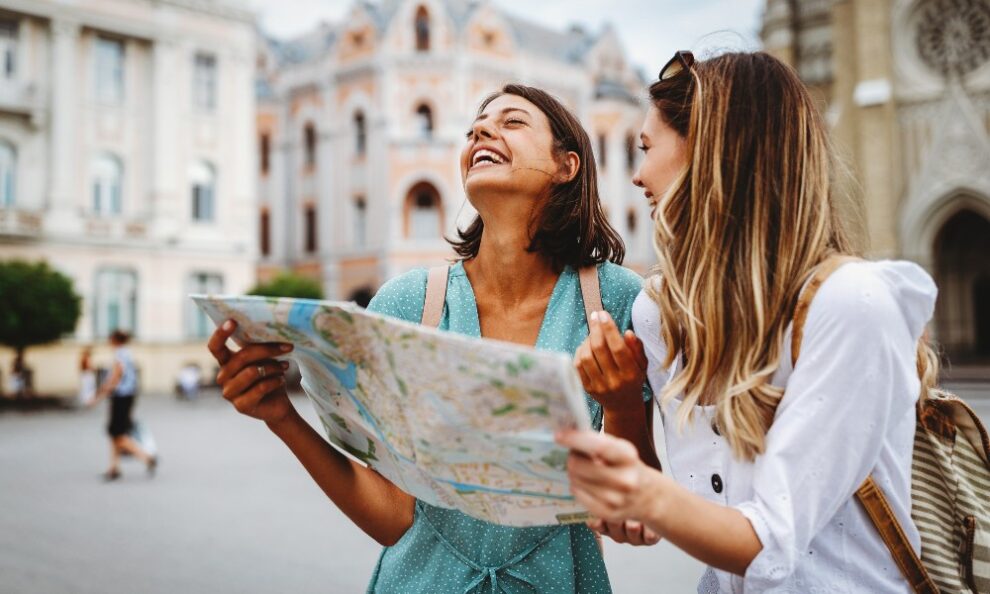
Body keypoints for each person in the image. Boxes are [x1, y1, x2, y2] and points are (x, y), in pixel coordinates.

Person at [207, 84, 657, 593]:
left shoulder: (616, 300)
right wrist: (283, 418)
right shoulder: (406, 303)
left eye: (511, 122)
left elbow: (637, 508)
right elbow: (393, 518)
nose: (481, 131)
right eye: (474, 128)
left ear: (566, 166)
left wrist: (620, 405)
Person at [558, 51, 939, 593]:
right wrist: (621, 410)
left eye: (646, 148)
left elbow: (770, 541)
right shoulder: (661, 311)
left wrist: (638, 491)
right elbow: (651, 521)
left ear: (715, 151)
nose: (638, 175)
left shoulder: (850, 303)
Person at [90, 330, 157, 481]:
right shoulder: (127, 353)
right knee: (114, 433)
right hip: (126, 396)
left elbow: (116, 376)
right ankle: (114, 468)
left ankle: (147, 457)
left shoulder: (120, 354)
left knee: (118, 434)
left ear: (114, 340)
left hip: (121, 397)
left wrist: (100, 394)